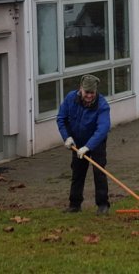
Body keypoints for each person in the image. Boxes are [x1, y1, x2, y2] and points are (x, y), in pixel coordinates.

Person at [57, 74, 112, 215]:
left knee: (99, 171)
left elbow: (103, 128)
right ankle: (74, 205)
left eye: (92, 93)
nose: (89, 96)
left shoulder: (102, 105)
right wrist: (67, 137)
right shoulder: (70, 98)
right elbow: (61, 119)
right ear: (80, 89)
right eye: (86, 92)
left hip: (96, 141)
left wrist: (88, 147)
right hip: (77, 141)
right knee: (77, 171)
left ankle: (103, 205)